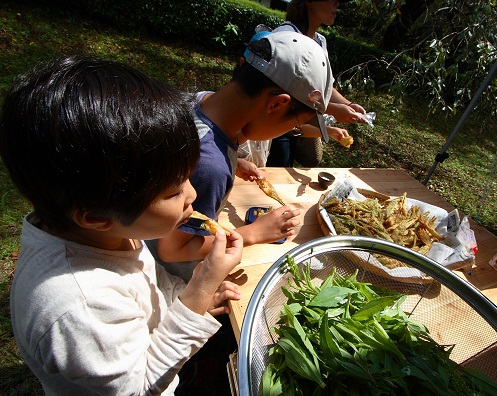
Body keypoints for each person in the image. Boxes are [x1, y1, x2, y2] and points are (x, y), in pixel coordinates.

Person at [0, 55, 243, 395]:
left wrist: (187, 299)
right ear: (96, 216)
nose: (192, 194)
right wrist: (201, 287)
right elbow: (139, 387)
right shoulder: (79, 307)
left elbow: (149, 285)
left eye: (187, 178)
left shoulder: (111, 232)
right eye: (174, 191)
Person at [149, 31, 333, 282]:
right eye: (296, 123)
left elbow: (202, 144)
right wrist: (254, 233)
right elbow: (172, 250)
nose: (290, 131)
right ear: (277, 104)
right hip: (166, 278)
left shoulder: (202, 100)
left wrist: (233, 159)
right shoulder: (210, 167)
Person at [265, 0, 368, 167]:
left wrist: (349, 105)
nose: (337, 3)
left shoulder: (320, 41)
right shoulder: (286, 35)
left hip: (295, 123)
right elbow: (282, 89)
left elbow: (324, 87)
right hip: (274, 126)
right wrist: (334, 110)